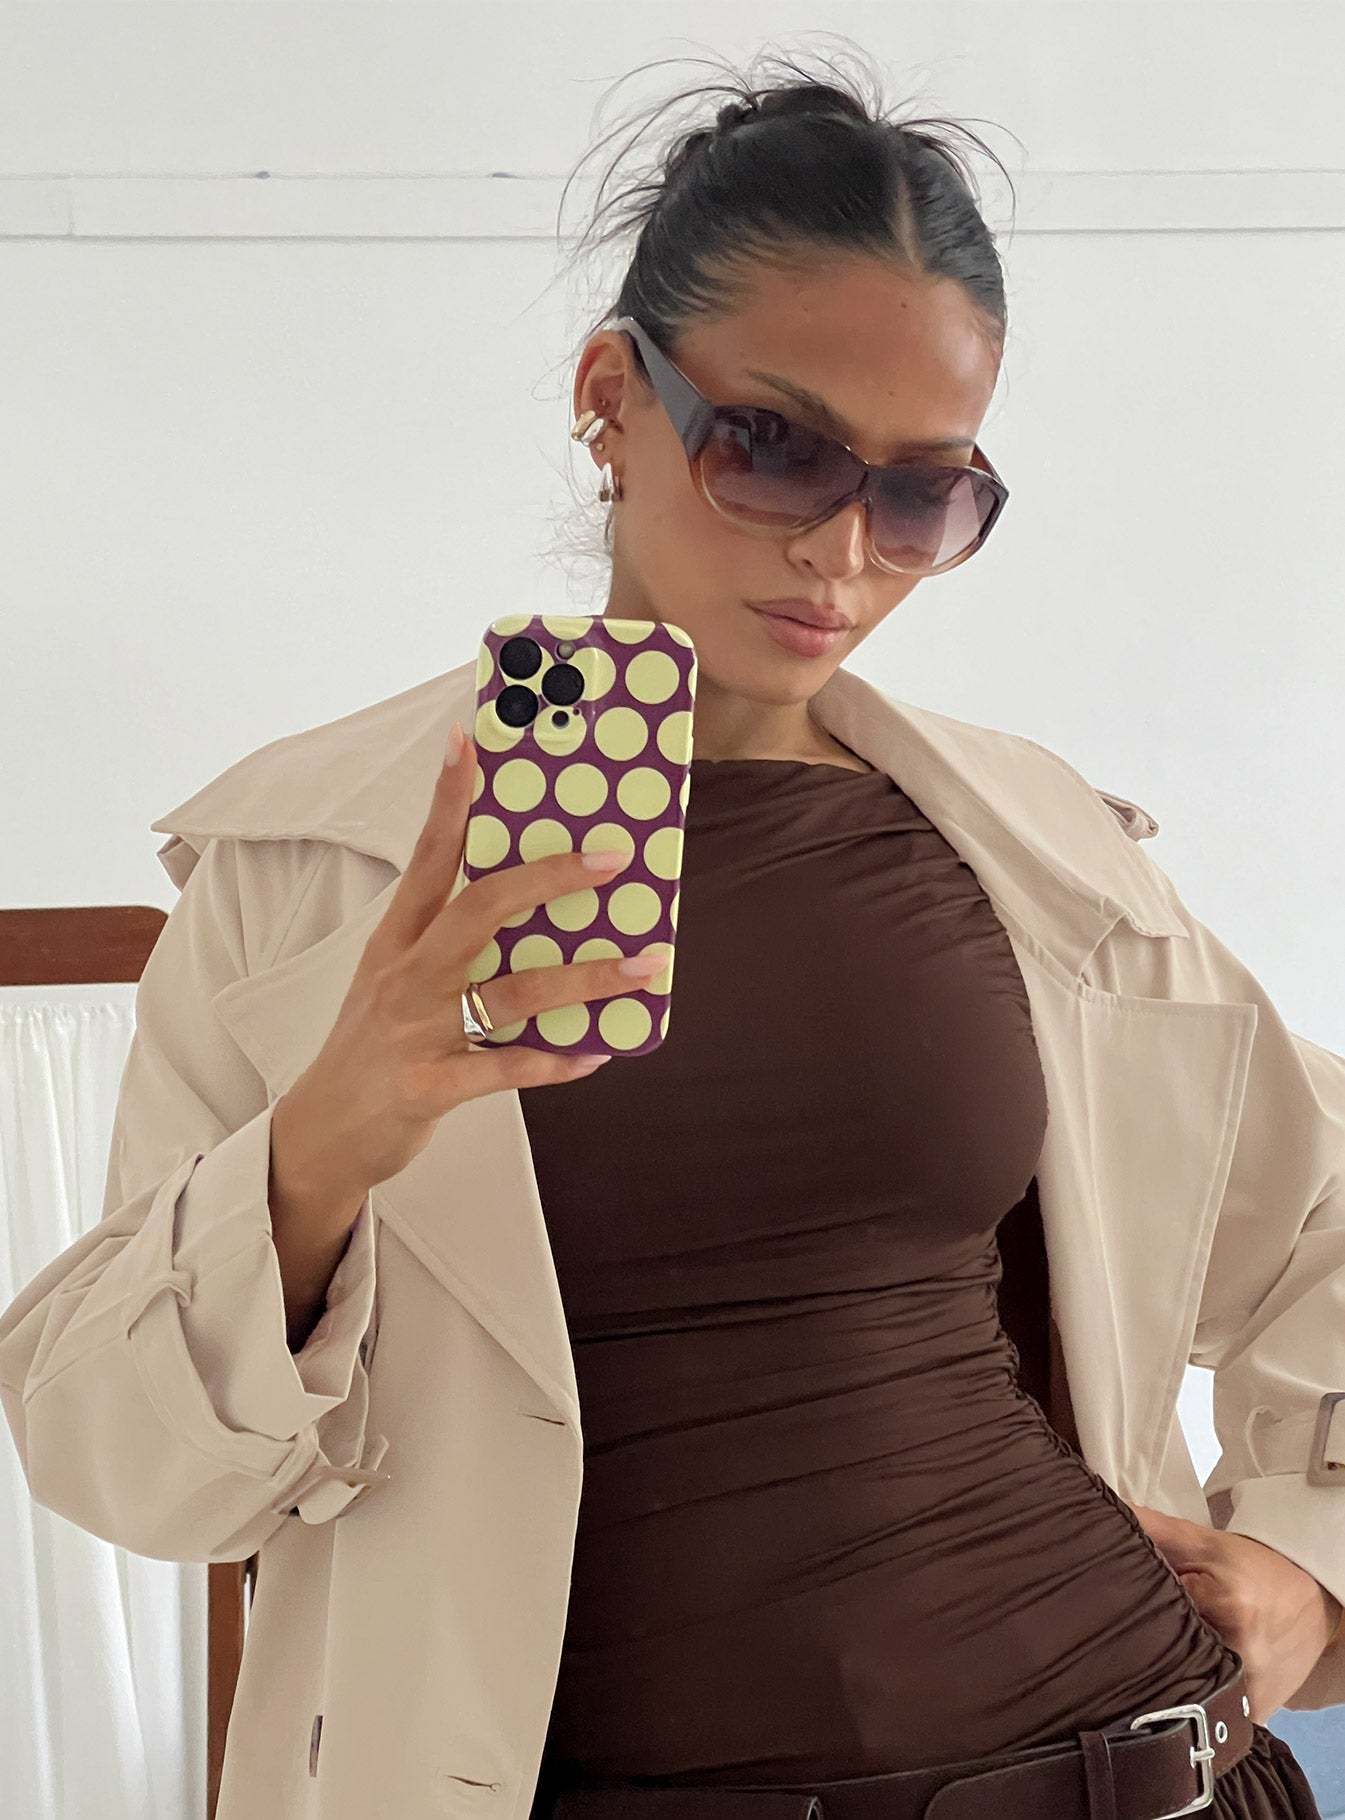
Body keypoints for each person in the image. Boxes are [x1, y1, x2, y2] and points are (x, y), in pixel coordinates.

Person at [2, 45, 1340, 1820]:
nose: (842, 553)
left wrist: (1309, 1566)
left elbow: (1323, 1218)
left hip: (1127, 1767)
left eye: (923, 492)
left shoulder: (1040, 859)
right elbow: (120, 1467)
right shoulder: (304, 872)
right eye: (772, 449)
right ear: (610, 398)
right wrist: (326, 1138)